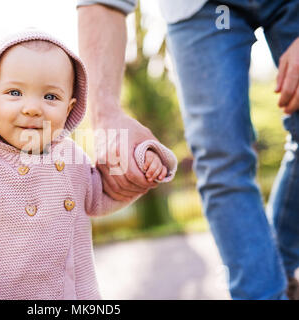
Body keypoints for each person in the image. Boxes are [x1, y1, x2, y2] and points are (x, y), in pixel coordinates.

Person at [0, 29, 177, 300]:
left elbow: (106, 190)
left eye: (50, 97)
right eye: (15, 92)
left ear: (70, 108)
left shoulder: (70, 157)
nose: (32, 108)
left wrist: (143, 160)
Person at [76, 0, 299, 299]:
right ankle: (264, 291)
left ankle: (273, 271)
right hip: (197, 9)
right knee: (222, 160)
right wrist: (104, 117)